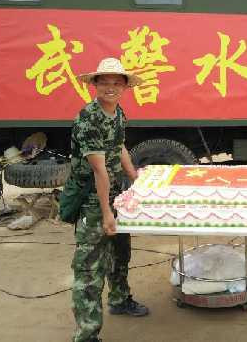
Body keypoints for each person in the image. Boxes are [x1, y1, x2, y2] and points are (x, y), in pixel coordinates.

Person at [69, 58, 148, 342]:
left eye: (117, 83)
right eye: (104, 83)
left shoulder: (117, 113)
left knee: (119, 252)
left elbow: (120, 146)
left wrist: (135, 177)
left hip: (114, 194)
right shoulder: (88, 118)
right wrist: (106, 214)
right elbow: (99, 171)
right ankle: (86, 334)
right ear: (95, 85)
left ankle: (119, 299)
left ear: (125, 87)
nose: (110, 88)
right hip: (93, 199)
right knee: (90, 268)